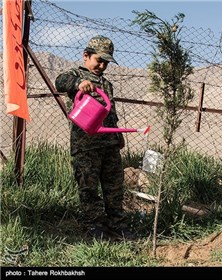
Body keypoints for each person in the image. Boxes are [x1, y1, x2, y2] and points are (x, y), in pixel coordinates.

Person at [55, 35, 134, 240]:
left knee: (114, 186)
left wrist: (117, 135)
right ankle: (94, 226)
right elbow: (60, 82)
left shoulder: (106, 84)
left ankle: (118, 225)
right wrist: (79, 83)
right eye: (99, 60)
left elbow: (110, 112)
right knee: (89, 187)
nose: (102, 65)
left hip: (109, 144)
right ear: (86, 56)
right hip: (86, 145)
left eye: (106, 62)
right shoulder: (76, 75)